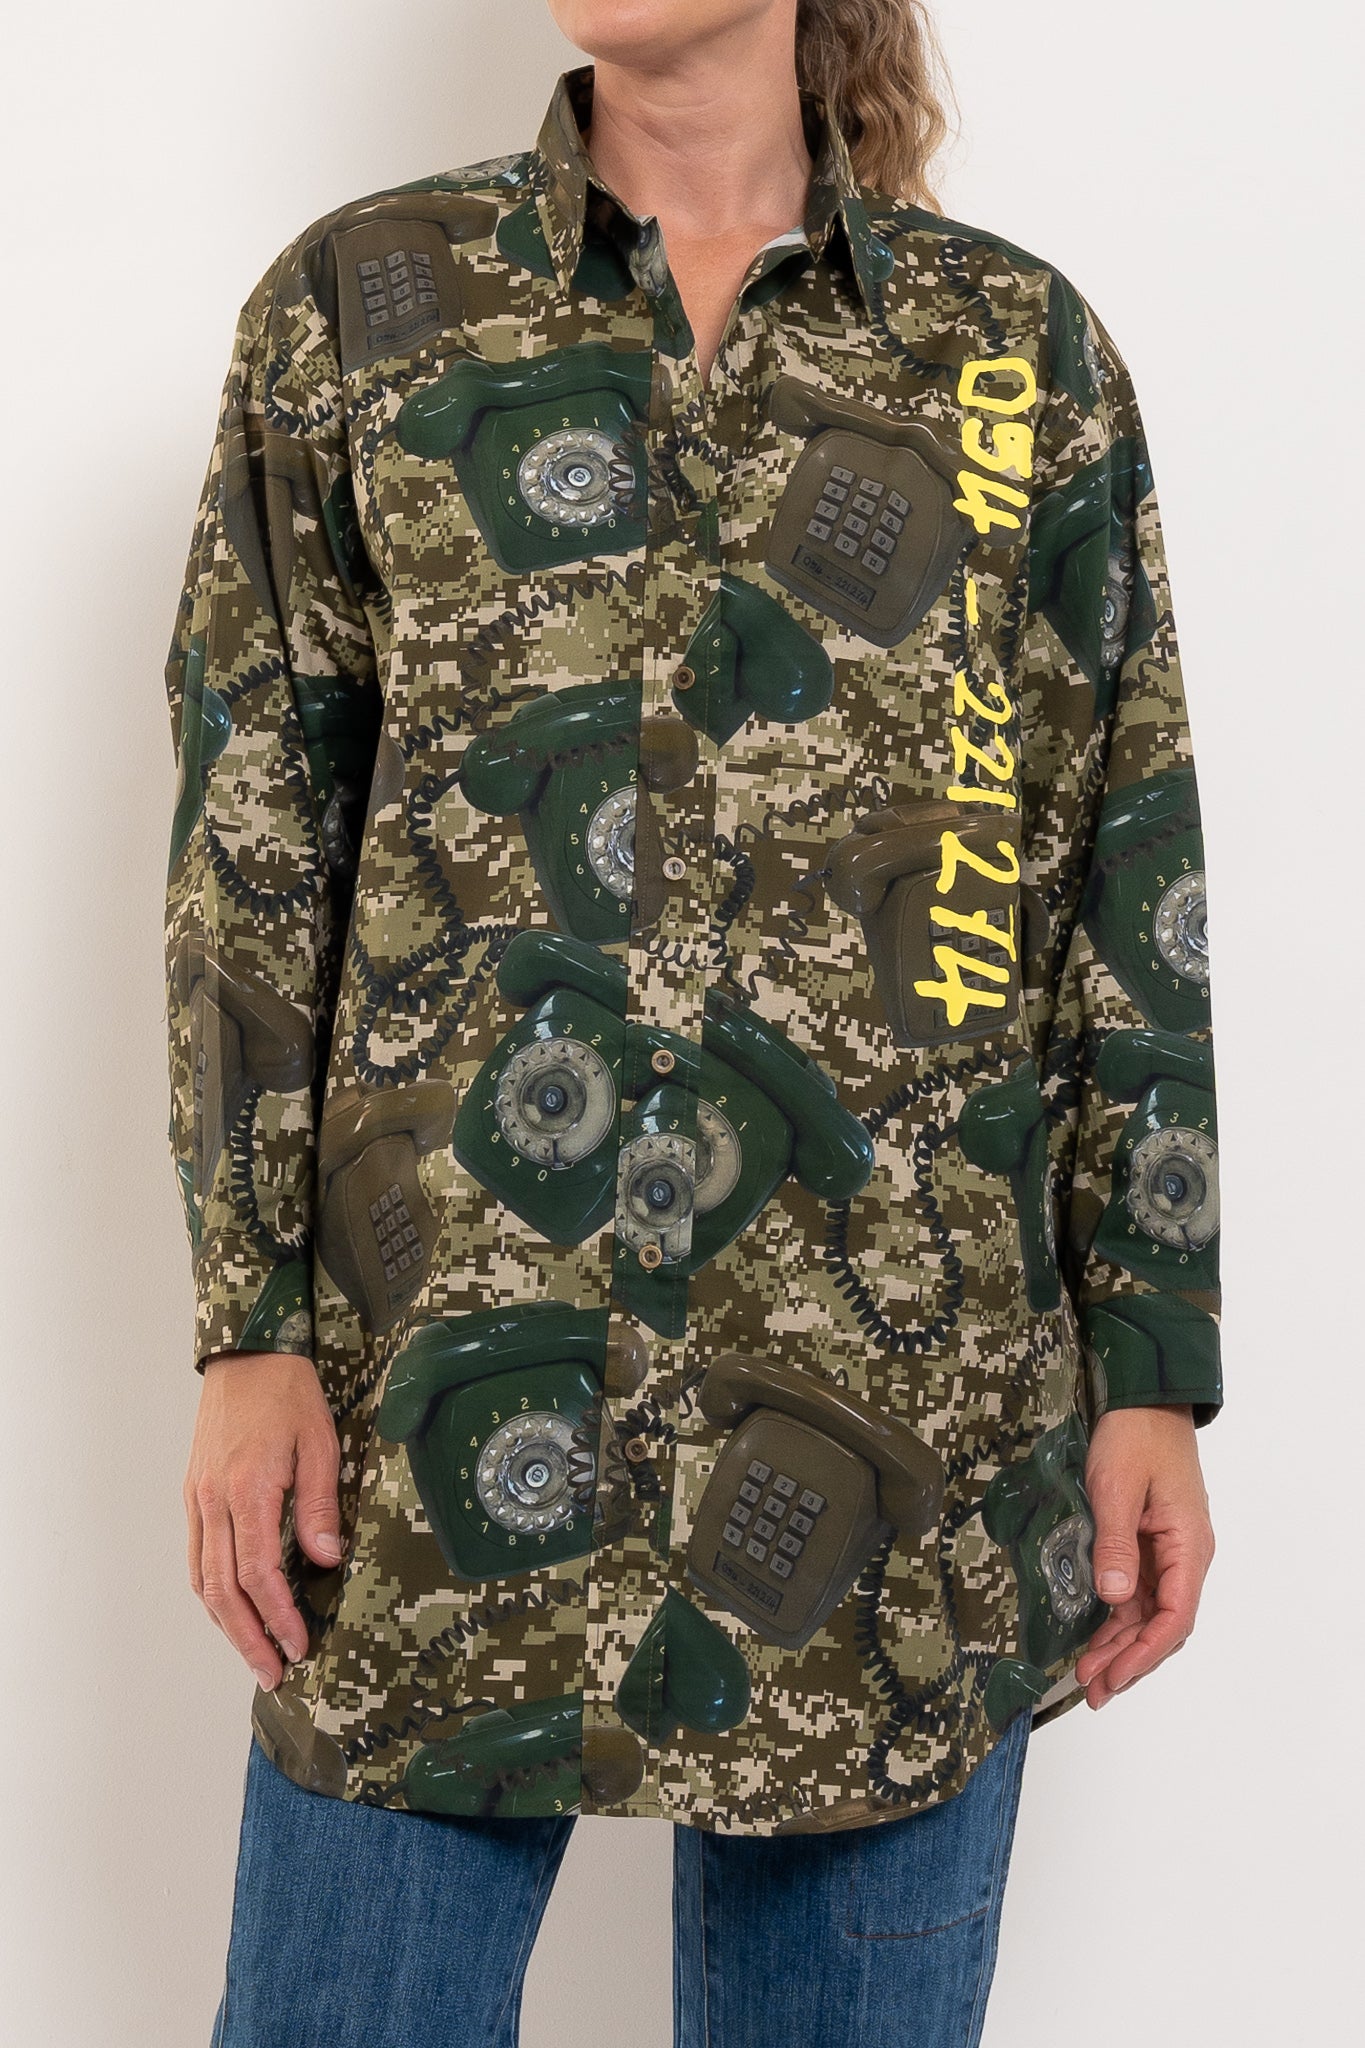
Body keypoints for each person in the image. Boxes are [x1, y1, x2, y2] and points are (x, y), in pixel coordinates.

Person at [163, 3, 1221, 2043]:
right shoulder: (363, 310)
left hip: (899, 1440)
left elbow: (1116, 866)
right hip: (431, 1428)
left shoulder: (1011, 355)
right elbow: (252, 851)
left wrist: (1150, 1363)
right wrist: (246, 1328)